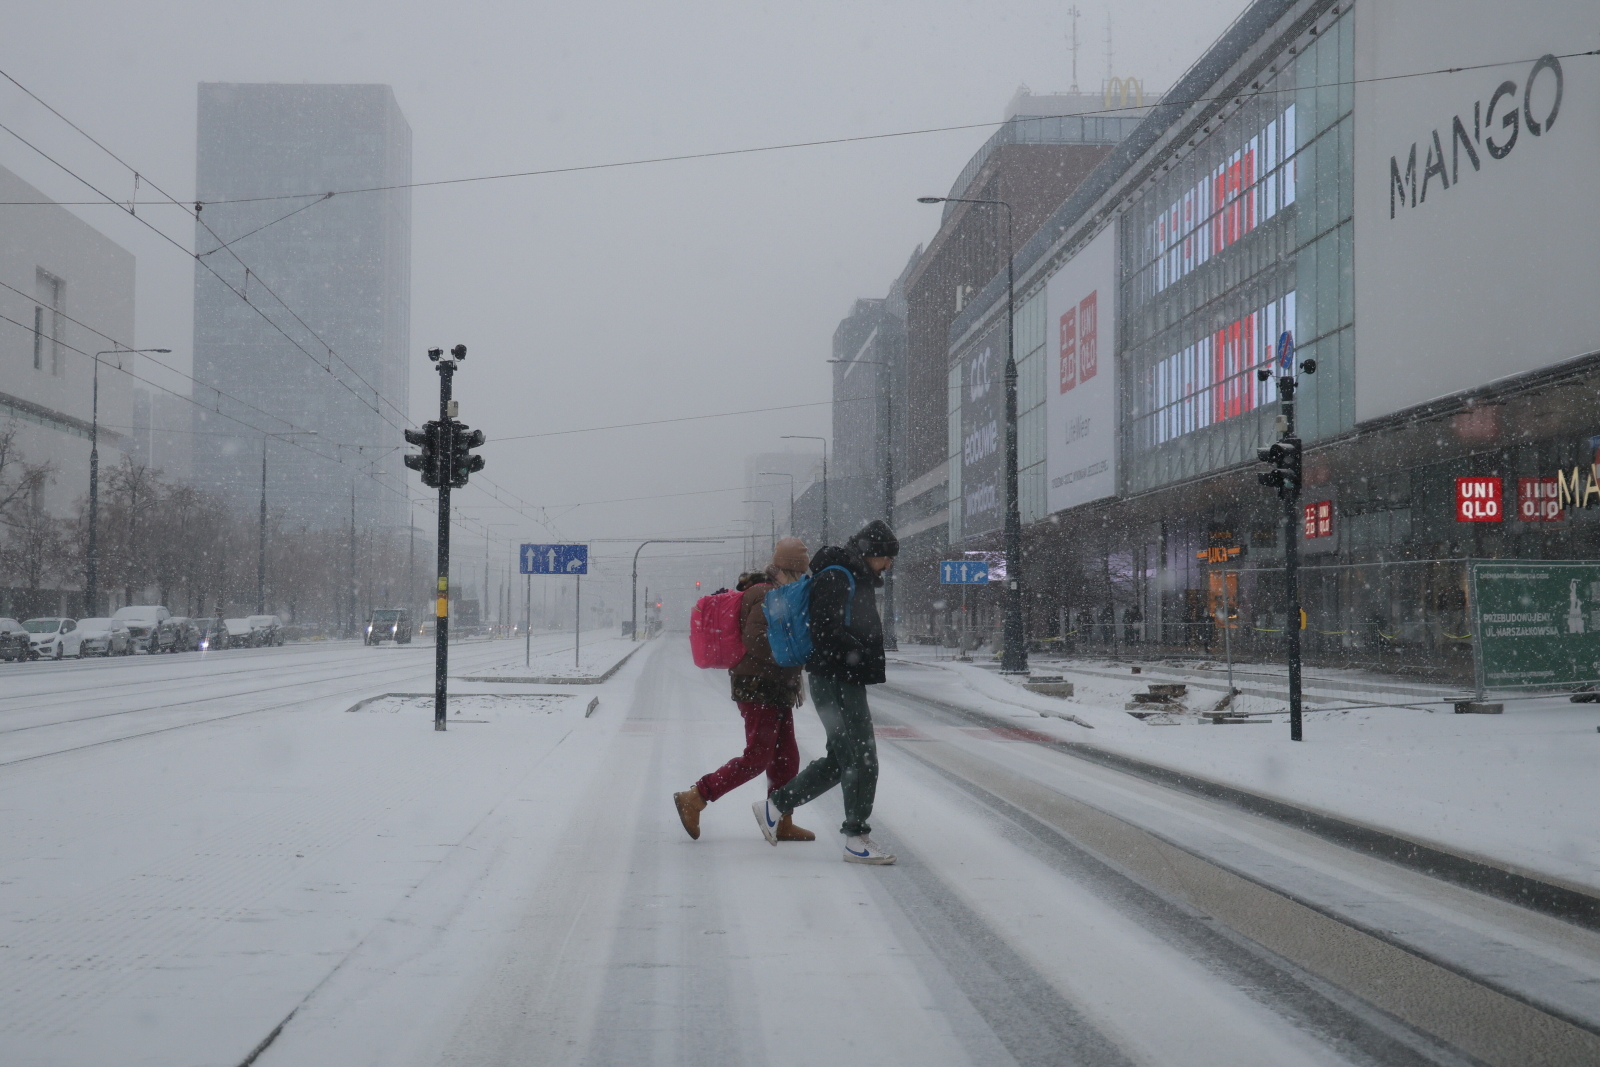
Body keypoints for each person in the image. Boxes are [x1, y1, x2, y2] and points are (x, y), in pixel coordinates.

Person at [754, 519, 898, 865]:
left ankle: (774, 807)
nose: (889, 565)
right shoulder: (838, 575)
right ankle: (856, 838)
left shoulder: (850, 574)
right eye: (888, 557)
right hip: (837, 679)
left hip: (840, 678)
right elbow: (825, 629)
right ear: (872, 553)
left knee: (840, 759)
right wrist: (860, 653)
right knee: (862, 758)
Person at [673, 538, 816, 843]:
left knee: (786, 756)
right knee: (757, 757)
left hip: (776, 686)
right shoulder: (766, 594)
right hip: (758, 686)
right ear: (789, 570)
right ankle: (695, 796)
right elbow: (756, 639)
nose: (803, 578)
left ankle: (781, 819)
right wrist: (791, 653)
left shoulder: (778, 593)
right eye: (799, 572)